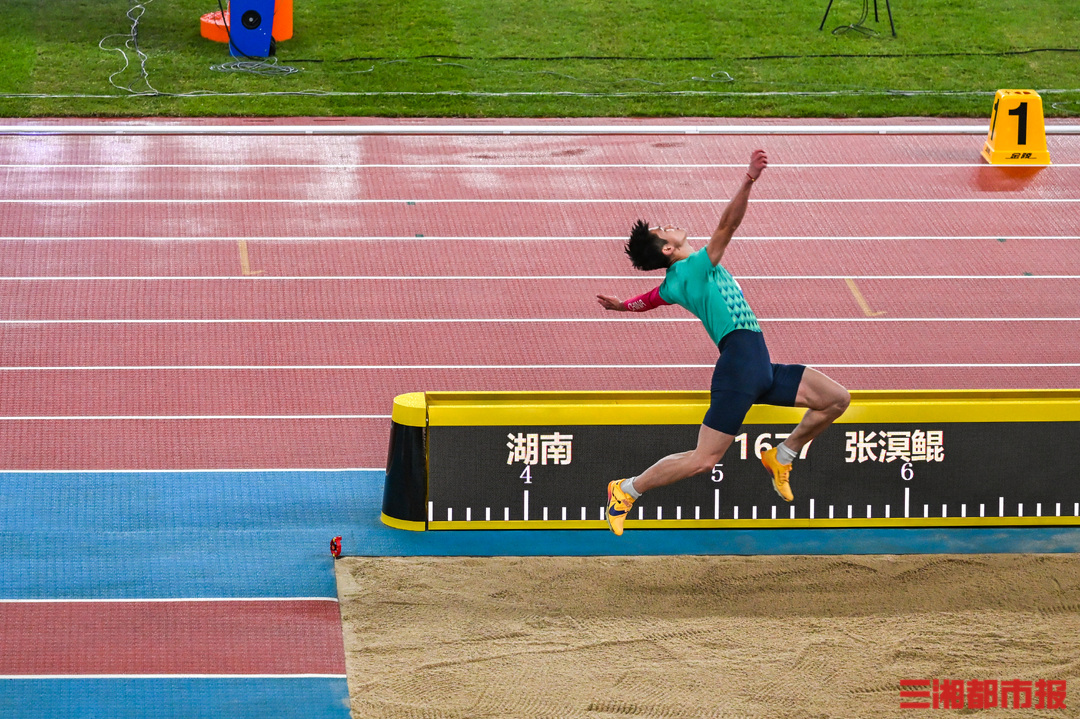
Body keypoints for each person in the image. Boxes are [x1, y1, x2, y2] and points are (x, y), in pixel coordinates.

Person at [596, 149, 850, 536]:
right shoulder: (694, 267)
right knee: (703, 460)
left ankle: (782, 456)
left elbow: (647, 300)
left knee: (835, 399)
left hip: (758, 367)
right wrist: (749, 180)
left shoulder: (672, 283)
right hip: (739, 367)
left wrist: (621, 306)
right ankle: (626, 490)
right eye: (663, 230)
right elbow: (727, 226)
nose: (668, 225)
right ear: (667, 249)